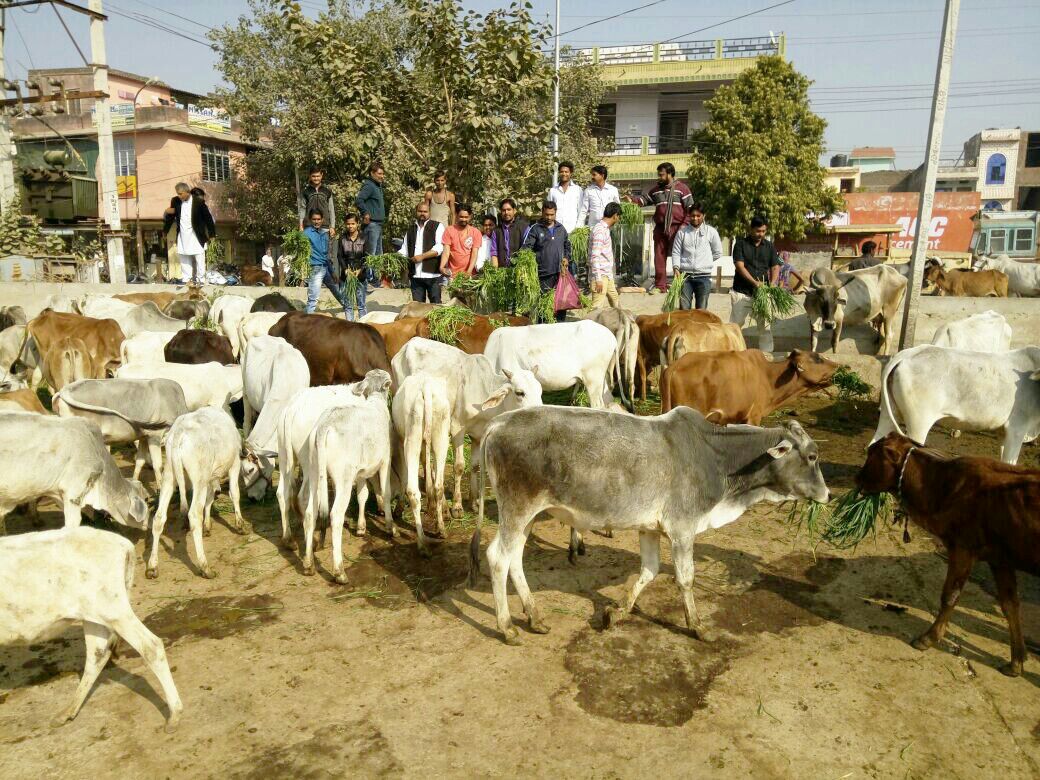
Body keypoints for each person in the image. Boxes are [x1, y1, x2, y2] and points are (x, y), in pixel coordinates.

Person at [627, 162, 693, 294]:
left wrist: (684, 226)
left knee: (680, 257)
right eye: (659, 174)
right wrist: (631, 200)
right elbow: (643, 201)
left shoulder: (683, 189)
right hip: (660, 228)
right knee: (659, 257)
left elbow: (690, 209)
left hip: (678, 228)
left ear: (670, 174)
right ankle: (660, 286)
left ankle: (680, 285)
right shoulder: (656, 190)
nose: (659, 177)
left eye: (662, 174)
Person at [730, 216, 782, 353]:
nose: (761, 234)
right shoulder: (740, 244)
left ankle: (766, 355)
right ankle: (734, 353)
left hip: (762, 294)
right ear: (751, 229)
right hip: (742, 292)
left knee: (765, 327)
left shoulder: (769, 246)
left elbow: (775, 266)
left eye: (764, 231)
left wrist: (772, 283)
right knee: (735, 326)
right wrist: (754, 282)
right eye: (758, 231)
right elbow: (740, 266)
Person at [521, 200, 572, 323]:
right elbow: (527, 248)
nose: (549, 217)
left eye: (552, 215)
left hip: (560, 274)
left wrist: (566, 257)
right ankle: (543, 331)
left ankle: (560, 328)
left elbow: (567, 246)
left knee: (560, 305)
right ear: (542, 213)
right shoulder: (536, 229)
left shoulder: (561, 228)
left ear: (555, 213)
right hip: (543, 275)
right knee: (543, 307)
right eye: (547, 214)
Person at [670, 203, 722, 310]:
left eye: (698, 215)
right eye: (693, 216)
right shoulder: (682, 233)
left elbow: (718, 252)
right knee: (684, 310)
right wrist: (676, 267)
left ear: (704, 216)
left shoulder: (711, 232)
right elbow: (676, 252)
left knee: (701, 311)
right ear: (689, 216)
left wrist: (705, 261)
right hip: (685, 277)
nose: (695, 218)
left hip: (704, 277)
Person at [163, 181, 215, 284]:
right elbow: (170, 217)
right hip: (183, 235)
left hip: (196, 235)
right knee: (184, 257)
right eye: (177, 193)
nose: (179, 196)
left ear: (187, 192)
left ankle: (201, 280)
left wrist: (212, 234)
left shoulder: (199, 202)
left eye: (181, 193)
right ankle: (187, 280)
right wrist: (165, 231)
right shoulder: (176, 201)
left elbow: (208, 218)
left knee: (199, 258)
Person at [303, 209, 349, 315]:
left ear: (322, 220)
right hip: (315, 268)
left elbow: (325, 255)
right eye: (314, 219)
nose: (316, 221)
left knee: (336, 289)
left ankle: (347, 306)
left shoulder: (324, 233)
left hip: (325, 266)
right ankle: (308, 316)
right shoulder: (305, 234)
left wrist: (332, 272)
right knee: (313, 296)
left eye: (318, 219)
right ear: (310, 220)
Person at [399, 201, 445, 303]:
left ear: (430, 213)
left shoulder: (437, 226)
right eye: (420, 211)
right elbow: (404, 250)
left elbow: (439, 247)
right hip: (415, 275)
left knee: (436, 305)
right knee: (418, 307)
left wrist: (422, 256)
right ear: (416, 212)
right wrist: (394, 258)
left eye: (425, 211)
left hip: (432, 275)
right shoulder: (411, 229)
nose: (422, 213)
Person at [588, 201, 621, 309]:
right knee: (596, 308)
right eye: (619, 216)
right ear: (615, 216)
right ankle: (589, 325)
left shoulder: (605, 229)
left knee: (615, 300)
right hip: (600, 276)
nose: (618, 219)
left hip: (607, 274)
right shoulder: (600, 231)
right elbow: (595, 256)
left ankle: (620, 323)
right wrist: (598, 279)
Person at [337, 213, 369, 321]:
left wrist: (360, 269)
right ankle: (349, 326)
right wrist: (345, 269)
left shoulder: (364, 237)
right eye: (348, 224)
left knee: (361, 304)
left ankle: (363, 326)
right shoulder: (342, 238)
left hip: (360, 276)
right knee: (348, 305)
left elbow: (367, 257)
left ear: (358, 224)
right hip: (346, 276)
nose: (350, 226)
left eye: (353, 224)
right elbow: (340, 256)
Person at [440, 203, 481, 279]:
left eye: (466, 217)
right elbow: (446, 252)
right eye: (461, 217)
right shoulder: (449, 230)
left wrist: (469, 272)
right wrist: (442, 267)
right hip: (453, 274)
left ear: (470, 216)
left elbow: (474, 254)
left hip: (471, 274)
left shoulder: (476, 232)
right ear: (456, 215)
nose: (464, 219)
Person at [356, 162, 387, 256]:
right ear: (372, 173)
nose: (382, 176)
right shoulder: (369, 185)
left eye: (383, 173)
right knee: (371, 255)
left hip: (378, 225)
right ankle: (368, 271)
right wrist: (365, 213)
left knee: (378, 256)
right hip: (372, 225)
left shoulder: (377, 186)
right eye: (379, 174)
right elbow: (359, 200)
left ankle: (375, 272)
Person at [490, 198, 529, 269]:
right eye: (503, 210)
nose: (506, 212)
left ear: (514, 210)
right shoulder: (496, 231)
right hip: (502, 271)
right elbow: (494, 252)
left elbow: (527, 250)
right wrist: (495, 272)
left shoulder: (523, 227)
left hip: (519, 271)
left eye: (509, 209)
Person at [298, 167, 336, 237]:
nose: (316, 178)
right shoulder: (306, 192)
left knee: (324, 247)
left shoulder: (327, 191)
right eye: (313, 176)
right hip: (309, 227)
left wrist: (332, 226)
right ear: (310, 176)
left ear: (321, 175)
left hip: (325, 227)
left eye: (318, 176)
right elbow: (302, 209)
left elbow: (331, 210)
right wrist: (301, 225)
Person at [548, 160, 583, 233]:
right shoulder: (553, 191)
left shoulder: (578, 190)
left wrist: (578, 228)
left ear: (570, 173)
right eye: (561, 172)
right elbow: (549, 210)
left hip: (573, 230)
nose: (564, 174)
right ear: (559, 173)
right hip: (556, 230)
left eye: (566, 172)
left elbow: (581, 210)